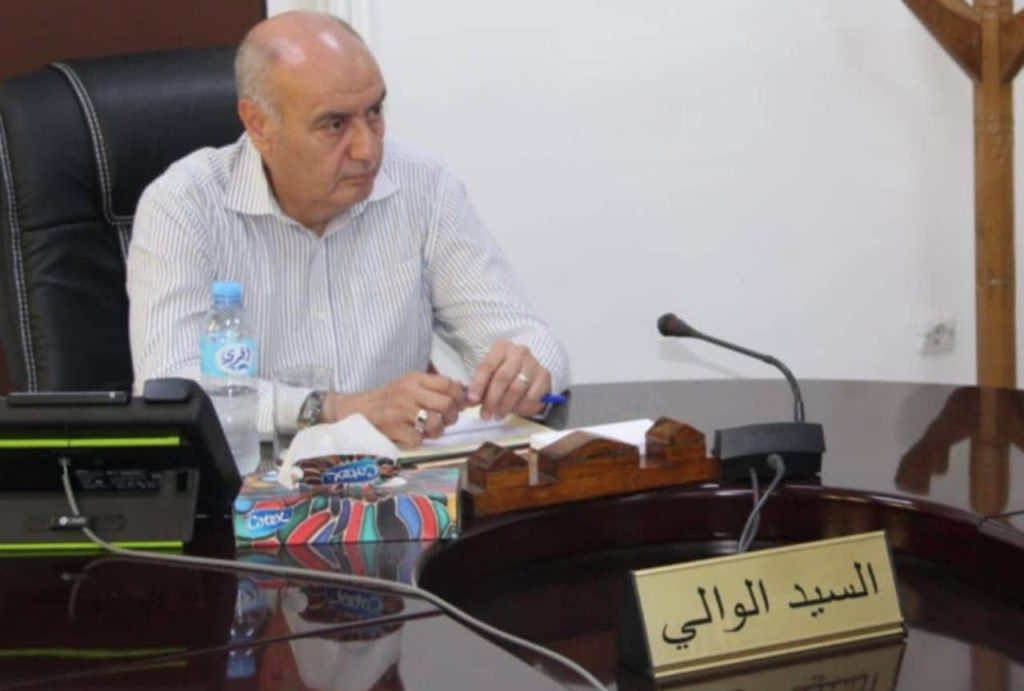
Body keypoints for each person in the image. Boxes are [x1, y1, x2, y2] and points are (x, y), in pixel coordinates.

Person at [127, 11, 569, 447]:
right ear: (259, 124)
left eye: (374, 112)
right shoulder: (184, 205)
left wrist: (524, 373)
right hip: (249, 477)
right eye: (334, 124)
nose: (367, 149)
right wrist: (333, 409)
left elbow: (527, 339)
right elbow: (169, 386)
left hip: (399, 477)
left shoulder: (424, 185)